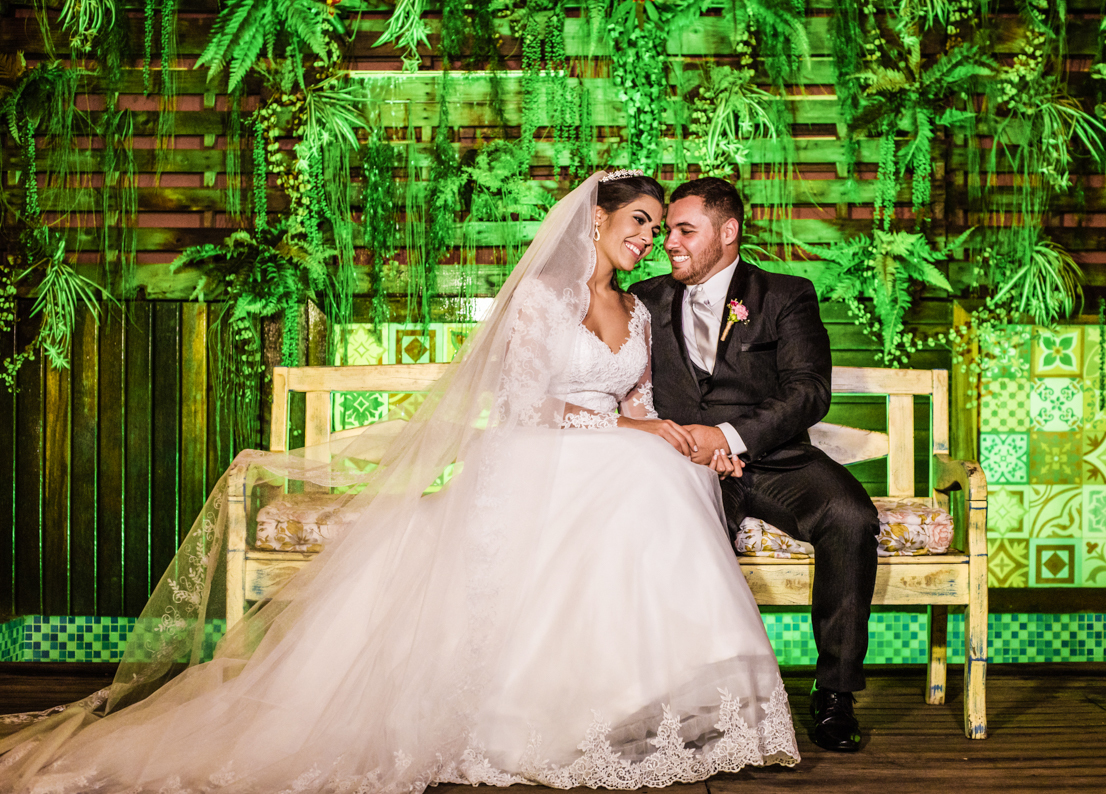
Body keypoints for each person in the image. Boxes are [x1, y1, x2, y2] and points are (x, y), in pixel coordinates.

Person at [0, 171, 799, 793]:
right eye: (639, 224)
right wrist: (641, 433)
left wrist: (686, 439)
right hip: (537, 451)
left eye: (659, 230)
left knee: (662, 472)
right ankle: (542, 714)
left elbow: (639, 398)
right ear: (597, 218)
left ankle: (654, 701)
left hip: (613, 449)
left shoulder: (640, 310)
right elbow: (531, 403)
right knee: (643, 471)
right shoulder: (539, 302)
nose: (649, 240)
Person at [629, 177, 880, 753]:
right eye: (667, 229)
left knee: (850, 518)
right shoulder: (643, 300)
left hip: (774, 459)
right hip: (682, 466)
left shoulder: (786, 296)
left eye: (683, 230)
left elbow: (808, 392)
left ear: (728, 232)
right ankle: (690, 702)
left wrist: (729, 436)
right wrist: (686, 446)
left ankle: (835, 693)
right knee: (681, 535)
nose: (669, 241)